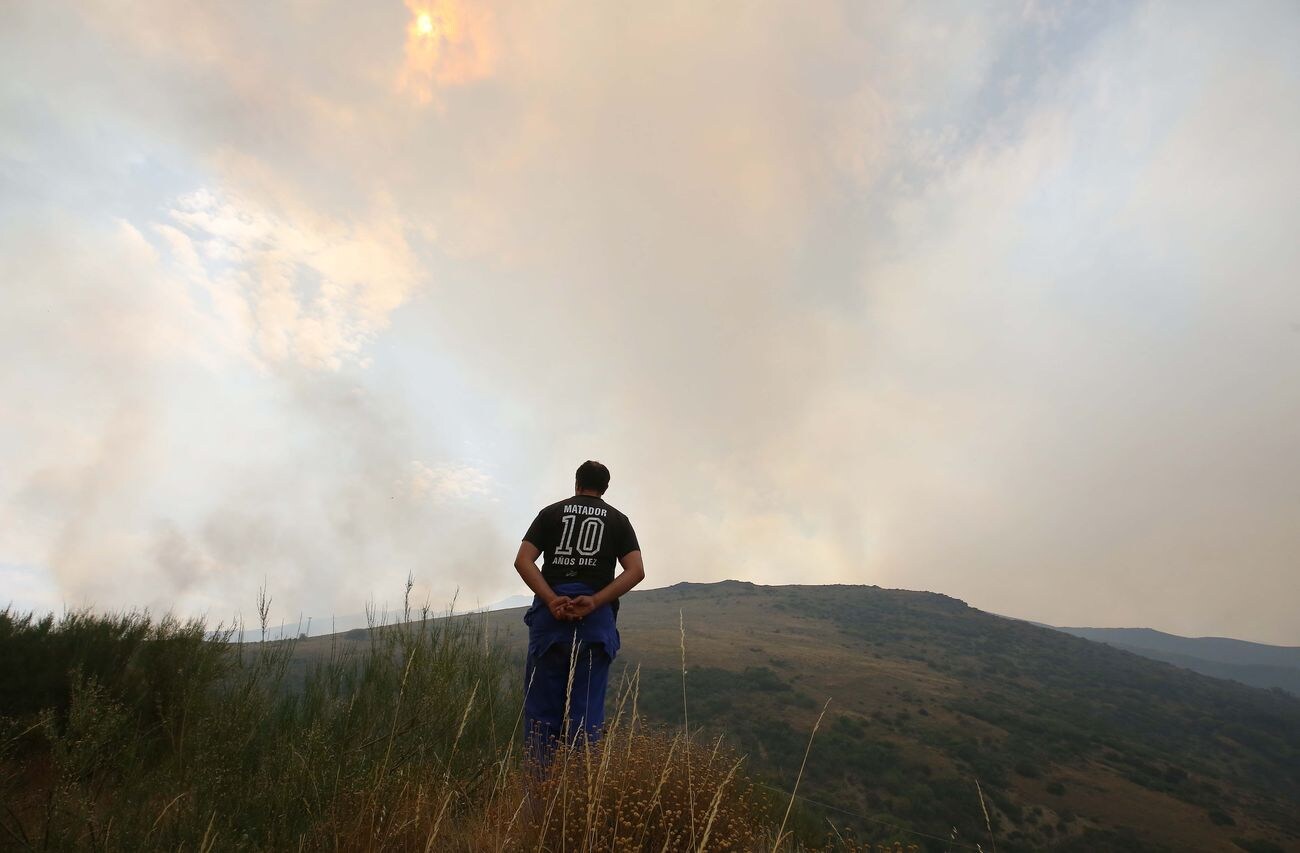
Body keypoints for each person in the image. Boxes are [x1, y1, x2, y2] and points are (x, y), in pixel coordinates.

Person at [513, 460, 645, 768]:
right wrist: (595, 601)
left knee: (541, 718)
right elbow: (636, 571)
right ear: (605, 488)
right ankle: (575, 800)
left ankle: (538, 800)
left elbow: (523, 561)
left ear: (576, 483)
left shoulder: (550, 513)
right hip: (594, 625)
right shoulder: (618, 520)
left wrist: (551, 599)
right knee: (586, 718)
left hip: (551, 622)